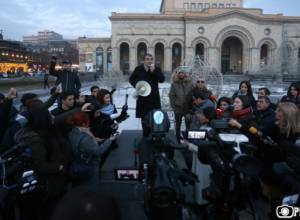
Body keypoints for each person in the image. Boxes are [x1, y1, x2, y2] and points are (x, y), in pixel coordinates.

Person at [129, 53, 165, 137]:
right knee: (144, 119)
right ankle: (145, 136)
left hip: (154, 99)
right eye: (147, 59)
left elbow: (162, 80)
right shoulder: (138, 69)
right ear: (144, 61)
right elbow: (131, 79)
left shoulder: (156, 69)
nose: (150, 61)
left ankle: (154, 135)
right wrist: (138, 87)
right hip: (143, 99)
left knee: (155, 118)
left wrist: (154, 72)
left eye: (151, 59)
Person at [169, 67, 193, 142]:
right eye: (180, 73)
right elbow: (171, 96)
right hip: (178, 108)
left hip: (187, 108)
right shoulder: (174, 84)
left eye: (183, 73)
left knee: (188, 125)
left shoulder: (190, 84)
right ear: (178, 74)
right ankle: (178, 139)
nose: (181, 74)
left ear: (185, 74)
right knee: (178, 125)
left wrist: (191, 107)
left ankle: (188, 140)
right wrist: (174, 106)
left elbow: (193, 95)